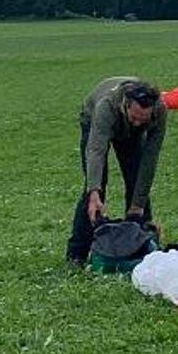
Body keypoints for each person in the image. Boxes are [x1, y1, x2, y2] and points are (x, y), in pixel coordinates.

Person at [66, 77, 166, 265]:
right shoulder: (106, 106)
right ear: (126, 105)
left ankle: (143, 244)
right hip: (94, 121)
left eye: (143, 120)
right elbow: (96, 150)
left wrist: (138, 204)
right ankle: (77, 254)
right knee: (96, 188)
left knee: (136, 178)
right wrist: (93, 191)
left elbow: (150, 158)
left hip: (128, 134)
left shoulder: (160, 110)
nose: (137, 123)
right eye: (134, 118)